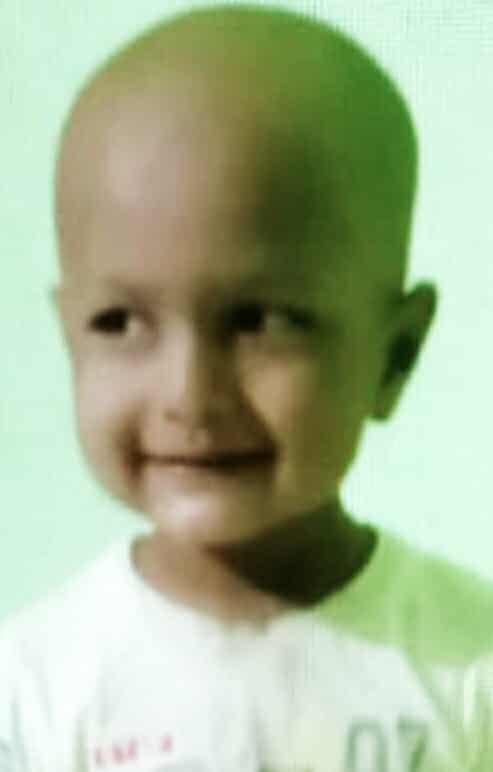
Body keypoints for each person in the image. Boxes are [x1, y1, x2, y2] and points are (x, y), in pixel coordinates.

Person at [1, 3, 492, 770]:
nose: (189, 395)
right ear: (70, 339)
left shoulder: (468, 663)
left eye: (261, 321)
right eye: (119, 323)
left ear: (393, 356)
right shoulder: (34, 689)